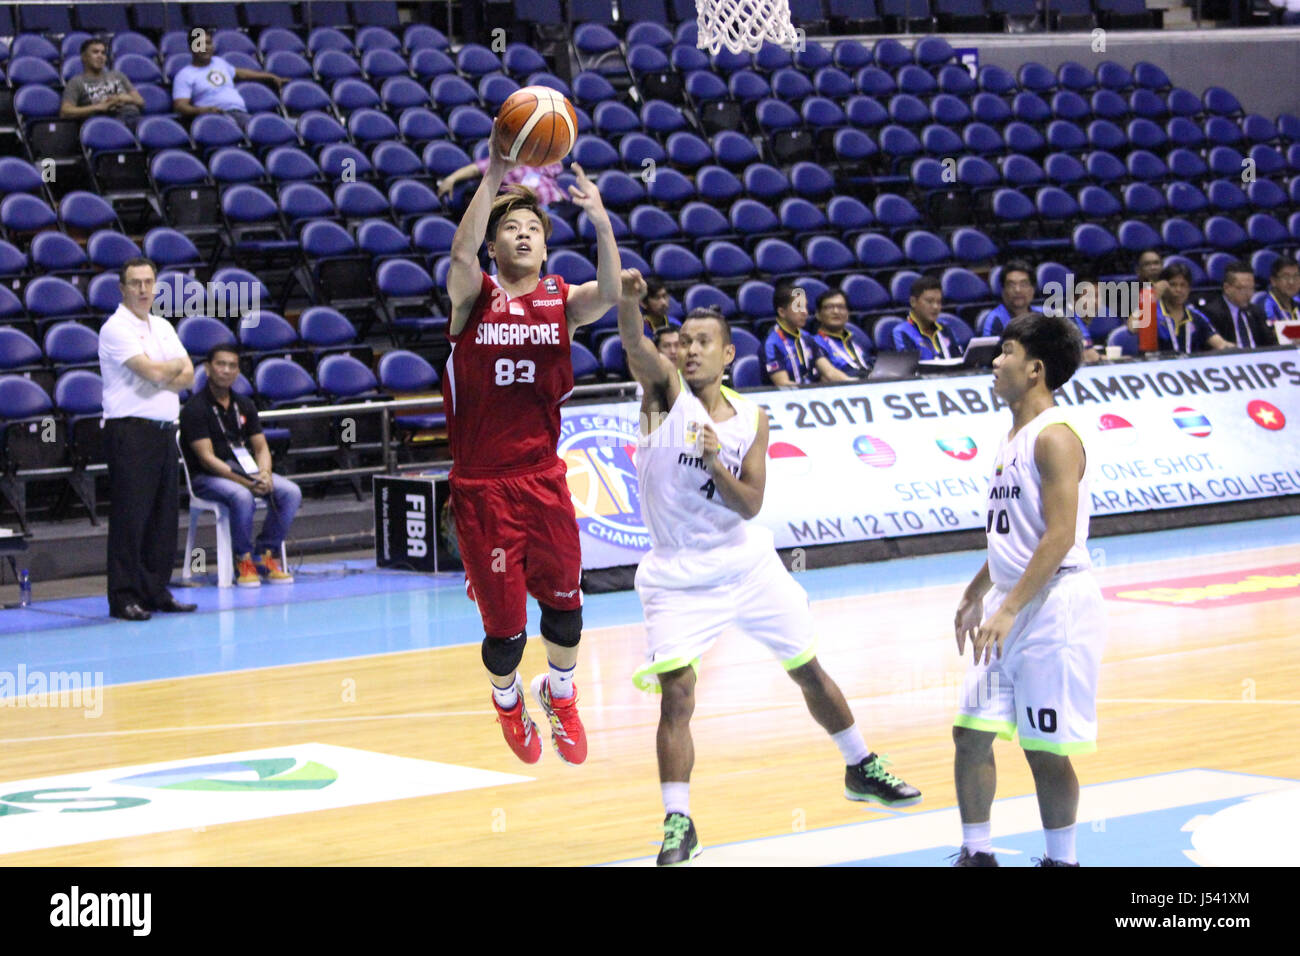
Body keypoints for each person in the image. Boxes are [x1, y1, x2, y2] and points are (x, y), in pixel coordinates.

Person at [617, 268, 921, 867]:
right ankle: (679, 823)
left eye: (705, 341)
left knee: (807, 667)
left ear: (728, 354)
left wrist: (716, 464)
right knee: (676, 696)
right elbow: (634, 344)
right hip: (677, 575)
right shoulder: (662, 398)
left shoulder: (753, 419)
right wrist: (629, 302)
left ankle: (861, 765)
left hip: (746, 562)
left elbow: (751, 502)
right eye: (685, 341)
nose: (692, 349)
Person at [443, 124, 620, 766]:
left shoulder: (560, 301)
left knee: (567, 609)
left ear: (546, 247)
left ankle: (562, 694)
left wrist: (600, 224)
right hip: (483, 489)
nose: (524, 234)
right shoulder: (476, 298)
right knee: (506, 633)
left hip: (543, 480)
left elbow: (617, 292)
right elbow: (458, 261)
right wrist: (494, 171)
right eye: (511, 229)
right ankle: (508, 699)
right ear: (494, 247)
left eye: (534, 229)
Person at [951, 313, 1105, 867]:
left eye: (1006, 351)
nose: (995, 361)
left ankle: (1062, 861)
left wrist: (1010, 607)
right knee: (970, 734)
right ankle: (978, 854)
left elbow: (1060, 537)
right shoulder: (1010, 435)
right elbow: (1013, 536)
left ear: (1034, 369)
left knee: (1044, 749)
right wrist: (976, 592)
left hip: (1054, 608)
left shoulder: (1055, 438)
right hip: (1009, 603)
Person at [98, 258, 197, 621]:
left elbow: (188, 376)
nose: (143, 289)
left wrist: (163, 372)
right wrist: (164, 369)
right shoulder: (115, 328)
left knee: (162, 518)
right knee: (131, 518)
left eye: (148, 282)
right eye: (135, 283)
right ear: (122, 289)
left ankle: (155, 590)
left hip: (164, 430)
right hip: (130, 432)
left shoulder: (163, 326)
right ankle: (123, 597)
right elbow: (156, 370)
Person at [180, 345, 302, 587]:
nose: (226, 370)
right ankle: (242, 559)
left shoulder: (244, 404)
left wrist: (265, 474)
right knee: (241, 496)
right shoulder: (195, 408)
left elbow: (260, 447)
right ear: (207, 368)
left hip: (245, 473)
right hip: (206, 478)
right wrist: (247, 483)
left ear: (238, 371)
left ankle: (265, 554)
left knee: (290, 492)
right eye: (220, 364)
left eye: (232, 366)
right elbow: (207, 459)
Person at [173, 28, 285, 130]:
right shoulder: (184, 75)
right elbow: (180, 106)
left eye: (208, 43)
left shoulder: (219, 62)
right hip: (214, 118)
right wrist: (202, 111)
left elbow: (241, 74)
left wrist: (270, 76)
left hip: (240, 113)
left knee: (272, 128)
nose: (205, 47)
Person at [1125, 263, 1230, 354]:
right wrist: (1153, 296)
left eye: (1183, 285)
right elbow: (1132, 328)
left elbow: (1221, 344)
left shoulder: (1196, 317)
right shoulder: (1153, 313)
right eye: (1173, 285)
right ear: (1164, 287)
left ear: (1189, 289)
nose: (1178, 290)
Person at [763, 281, 841, 386]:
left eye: (805, 307)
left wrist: (854, 382)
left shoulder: (807, 338)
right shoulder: (771, 343)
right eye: (798, 307)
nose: (805, 312)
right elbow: (783, 384)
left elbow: (829, 372)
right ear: (782, 312)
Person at [60, 38, 145, 128]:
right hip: (105, 123)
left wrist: (122, 98)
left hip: (134, 118)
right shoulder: (76, 82)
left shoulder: (118, 75)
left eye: (103, 53)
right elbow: (65, 112)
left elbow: (141, 101)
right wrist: (99, 107)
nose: (100, 56)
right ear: (84, 57)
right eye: (95, 52)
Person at [1196, 261, 1274, 349]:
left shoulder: (1255, 312)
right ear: (1227, 288)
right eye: (1242, 288)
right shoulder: (1212, 313)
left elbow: (1268, 343)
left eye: (1251, 288)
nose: (1248, 294)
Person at [436, 158, 566, 210]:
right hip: (534, 208)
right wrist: (451, 179)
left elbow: (557, 168)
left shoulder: (543, 160)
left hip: (560, 204)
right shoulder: (504, 162)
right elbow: (475, 169)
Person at [893, 275, 961, 359]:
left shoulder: (945, 328)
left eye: (939, 302)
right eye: (929, 301)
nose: (936, 307)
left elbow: (959, 359)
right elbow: (910, 368)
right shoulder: (903, 331)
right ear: (913, 302)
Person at [811, 289, 873, 379]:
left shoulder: (855, 339)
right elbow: (827, 375)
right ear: (818, 315)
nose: (836, 311)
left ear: (847, 314)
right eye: (829, 307)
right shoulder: (814, 343)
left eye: (841, 307)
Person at [978, 260, 1040, 337]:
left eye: (1023, 284)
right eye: (1011, 285)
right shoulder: (995, 320)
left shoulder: (1042, 315)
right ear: (1003, 291)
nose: (1018, 290)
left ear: (1032, 290)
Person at [1262, 258, 1299, 328]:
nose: (1291, 282)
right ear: (1273, 281)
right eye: (1285, 277)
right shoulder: (1266, 307)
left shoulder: (1298, 305)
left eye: (1296, 276)